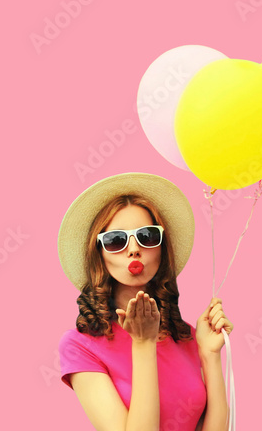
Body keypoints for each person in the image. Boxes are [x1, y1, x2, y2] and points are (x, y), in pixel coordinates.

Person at [57, 172, 233, 431]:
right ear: (100, 255)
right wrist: (142, 344)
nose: (133, 249)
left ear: (162, 249)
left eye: (147, 236)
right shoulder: (80, 346)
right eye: (115, 240)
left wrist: (209, 355)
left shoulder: (187, 337)